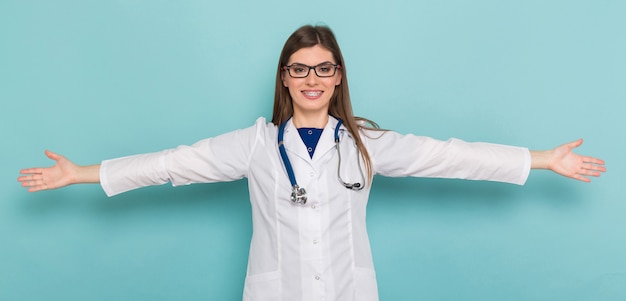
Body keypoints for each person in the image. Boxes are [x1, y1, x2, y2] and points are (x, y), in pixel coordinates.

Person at [18, 25, 606, 301]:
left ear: (338, 76)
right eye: (300, 68)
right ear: (285, 77)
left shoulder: (364, 143)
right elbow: (176, 163)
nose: (312, 79)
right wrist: (82, 173)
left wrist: (543, 161)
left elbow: (447, 156)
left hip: (350, 291)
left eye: (323, 67)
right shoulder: (253, 143)